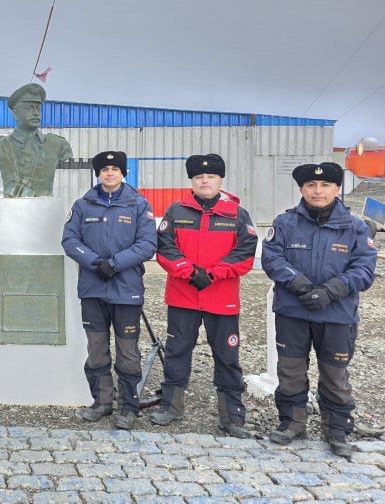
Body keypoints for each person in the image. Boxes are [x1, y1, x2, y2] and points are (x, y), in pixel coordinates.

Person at [262, 161, 376, 458]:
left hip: (337, 315)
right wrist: (300, 285)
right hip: (293, 311)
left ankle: (337, 429)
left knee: (335, 375)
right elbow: (272, 258)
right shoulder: (285, 223)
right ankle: (292, 422)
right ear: (301, 189)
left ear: (337, 189)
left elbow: (364, 269)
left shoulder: (356, 227)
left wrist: (329, 292)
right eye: (311, 185)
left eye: (325, 185)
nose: (318, 190)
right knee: (290, 371)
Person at [152, 154, 258, 438]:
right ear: (192, 181)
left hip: (221, 299)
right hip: (182, 297)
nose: (205, 181)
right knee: (176, 351)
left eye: (210, 177)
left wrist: (212, 274)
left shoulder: (238, 214)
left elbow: (245, 253)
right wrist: (188, 271)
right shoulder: (175, 211)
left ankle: (232, 415)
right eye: (199, 177)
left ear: (220, 180)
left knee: (227, 355)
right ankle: (171, 406)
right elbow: (164, 248)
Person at [61, 151, 157, 429]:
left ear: (122, 172)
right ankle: (102, 402)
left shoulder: (138, 205)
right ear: (98, 173)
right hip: (93, 289)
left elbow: (147, 244)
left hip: (126, 290)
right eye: (104, 169)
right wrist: (94, 262)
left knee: (128, 352)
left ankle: (128, 406)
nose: (110, 173)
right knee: (97, 350)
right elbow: (69, 239)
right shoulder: (83, 205)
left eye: (115, 168)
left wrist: (114, 264)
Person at [0, 83, 73, 197]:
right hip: (13, 210)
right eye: (29, 108)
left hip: (45, 211)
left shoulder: (58, 145)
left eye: (38, 108)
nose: (36, 113)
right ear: (15, 113)